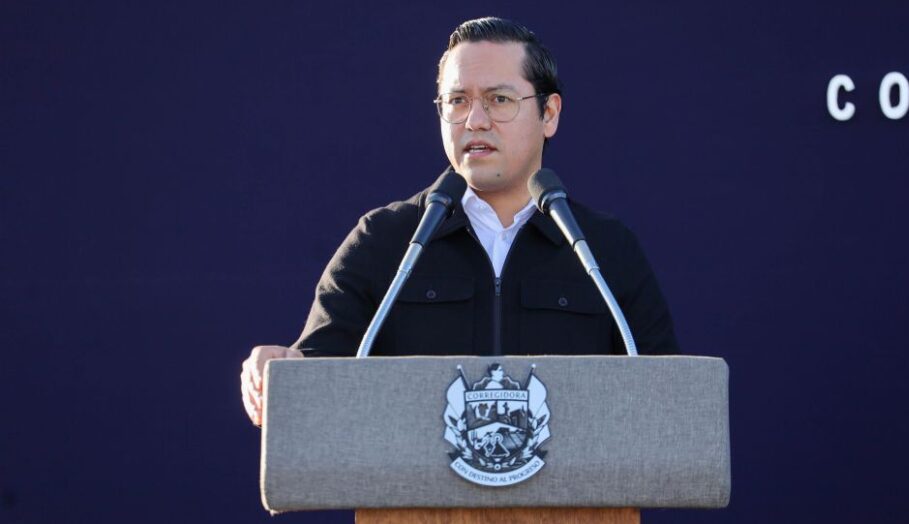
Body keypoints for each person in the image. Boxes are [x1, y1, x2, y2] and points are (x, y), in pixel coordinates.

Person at [241, 17, 678, 426]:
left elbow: (666, 401)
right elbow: (313, 379)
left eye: (499, 100)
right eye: (457, 101)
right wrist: (279, 370)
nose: (475, 120)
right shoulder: (386, 241)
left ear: (549, 114)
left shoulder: (603, 249)